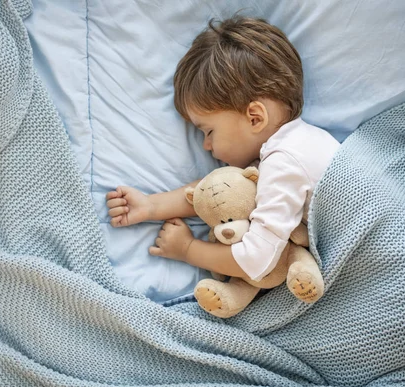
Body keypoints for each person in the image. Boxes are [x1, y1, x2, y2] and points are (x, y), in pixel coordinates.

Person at [106, 16, 340, 287]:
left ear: (254, 118)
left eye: (209, 131)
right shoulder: (295, 144)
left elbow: (257, 261)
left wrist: (188, 250)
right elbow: (218, 192)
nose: (206, 146)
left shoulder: (284, 162)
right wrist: (151, 206)